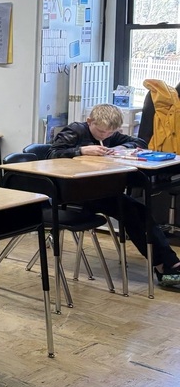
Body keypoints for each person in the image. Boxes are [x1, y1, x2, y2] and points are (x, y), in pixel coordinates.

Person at [49, 103, 180, 287]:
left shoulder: (110, 133)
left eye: (110, 133)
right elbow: (50, 154)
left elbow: (139, 142)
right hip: (73, 194)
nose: (105, 136)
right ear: (89, 121)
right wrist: (81, 150)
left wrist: (121, 148)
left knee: (139, 211)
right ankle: (165, 266)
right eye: (101, 132)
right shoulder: (76, 130)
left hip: (99, 190)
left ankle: (166, 265)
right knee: (131, 212)